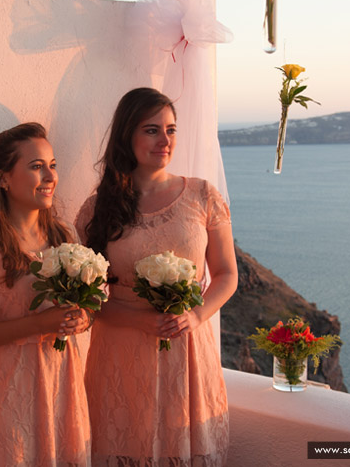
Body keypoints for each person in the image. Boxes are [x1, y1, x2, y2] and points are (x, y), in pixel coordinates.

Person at [76, 87, 237, 466]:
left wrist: (196, 315)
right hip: (121, 352)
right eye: (152, 130)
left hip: (187, 347)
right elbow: (91, 302)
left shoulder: (202, 196)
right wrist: (142, 321)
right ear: (127, 135)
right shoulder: (96, 210)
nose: (165, 140)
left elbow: (227, 275)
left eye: (171, 130)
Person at [0, 122, 92, 466]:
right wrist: (38, 324)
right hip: (5, 397)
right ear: (3, 179)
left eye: (52, 165)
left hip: (63, 389)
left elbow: (88, 310)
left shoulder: (66, 236)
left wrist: (83, 316)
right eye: (36, 166)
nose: (50, 176)